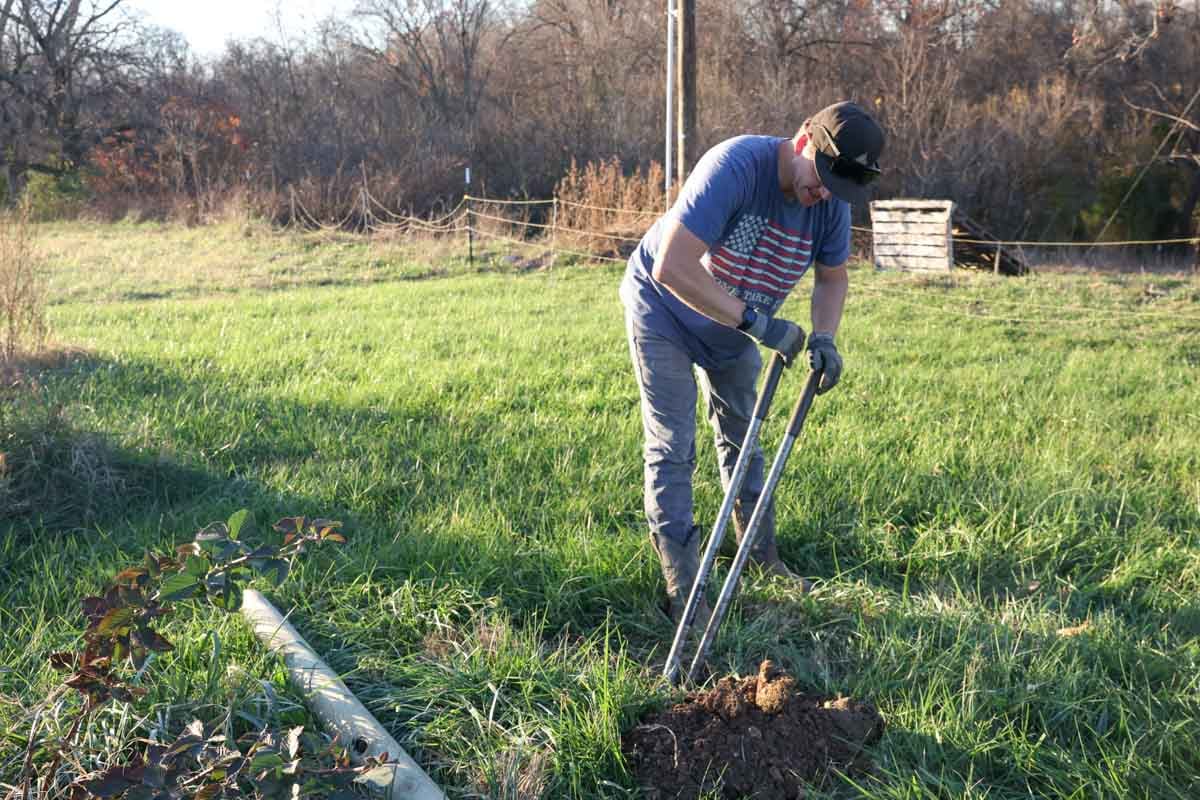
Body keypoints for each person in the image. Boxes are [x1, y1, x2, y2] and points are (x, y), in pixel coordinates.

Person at [620, 101, 885, 623]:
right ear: (805, 141)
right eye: (825, 176)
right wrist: (760, 326)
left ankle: (760, 557)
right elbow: (673, 266)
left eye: (840, 187)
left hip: (735, 324)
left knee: (744, 441)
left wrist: (825, 338)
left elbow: (832, 279)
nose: (826, 193)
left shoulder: (829, 204)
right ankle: (685, 586)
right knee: (674, 444)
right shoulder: (736, 167)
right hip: (663, 310)